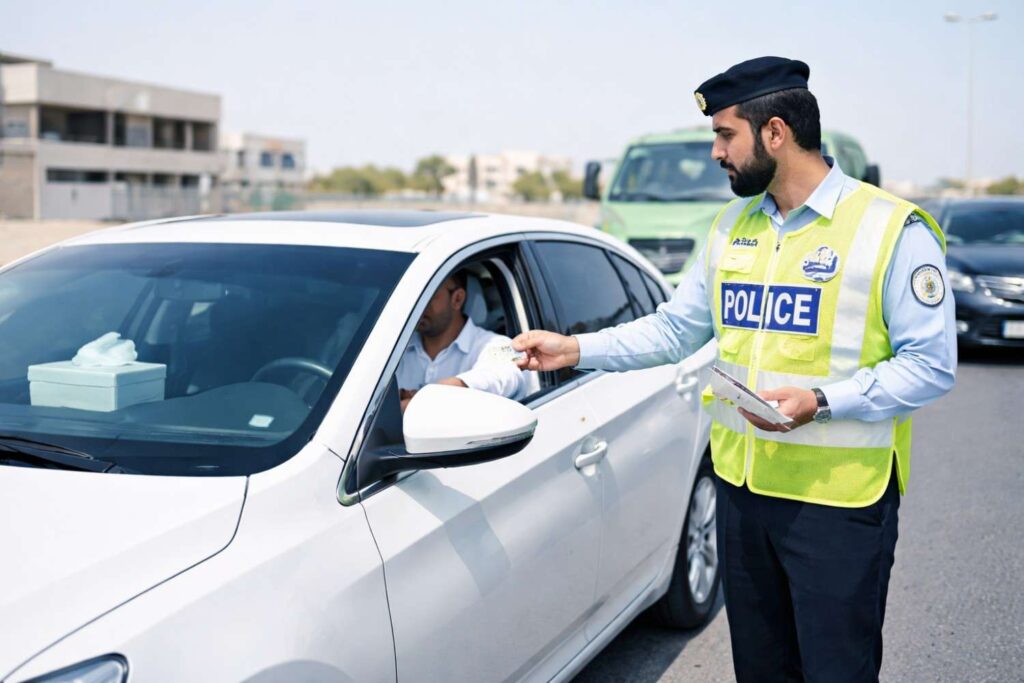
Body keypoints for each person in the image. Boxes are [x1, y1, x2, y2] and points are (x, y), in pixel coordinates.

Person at [513, 56, 956, 683]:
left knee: (836, 672)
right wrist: (574, 349)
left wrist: (821, 400)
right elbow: (675, 329)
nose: (716, 153)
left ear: (775, 133)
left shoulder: (890, 229)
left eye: (725, 135)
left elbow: (931, 366)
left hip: (835, 505)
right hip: (743, 496)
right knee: (761, 671)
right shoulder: (731, 226)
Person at [397, 269, 525, 412]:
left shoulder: (495, 345)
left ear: (457, 299)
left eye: (427, 295)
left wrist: (431, 396)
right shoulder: (393, 349)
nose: (416, 305)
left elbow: (504, 377)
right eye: (413, 296)